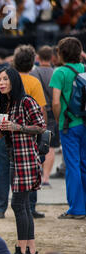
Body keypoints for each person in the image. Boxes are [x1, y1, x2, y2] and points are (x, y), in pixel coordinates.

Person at [0, 67, 46, 254]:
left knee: (18, 204)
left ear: (14, 81)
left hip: (26, 157)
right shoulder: (3, 105)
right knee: (24, 205)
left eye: (5, 79)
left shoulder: (26, 102)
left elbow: (41, 127)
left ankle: (22, 251)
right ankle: (31, 252)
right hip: (12, 158)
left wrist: (18, 127)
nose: (1, 83)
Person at [49, 37, 86, 220]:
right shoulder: (84, 69)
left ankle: (77, 209)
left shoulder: (60, 72)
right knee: (84, 164)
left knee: (72, 166)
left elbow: (55, 102)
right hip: (84, 123)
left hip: (68, 125)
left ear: (61, 53)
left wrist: (58, 118)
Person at [14, 44, 47, 219]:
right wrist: (43, 131)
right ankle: (31, 207)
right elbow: (41, 110)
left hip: (10, 132)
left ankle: (0, 205)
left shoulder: (8, 79)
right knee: (33, 170)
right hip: (29, 134)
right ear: (32, 62)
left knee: (6, 170)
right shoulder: (34, 82)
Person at [30, 46, 57, 188]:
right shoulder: (55, 73)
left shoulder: (33, 73)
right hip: (52, 112)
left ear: (38, 58)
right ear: (52, 58)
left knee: (35, 143)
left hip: (36, 111)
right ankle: (46, 178)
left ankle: (37, 174)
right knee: (50, 145)